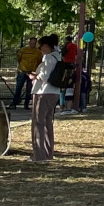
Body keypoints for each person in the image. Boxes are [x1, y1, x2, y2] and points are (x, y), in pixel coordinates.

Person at [31, 35, 63, 163]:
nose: (40, 49)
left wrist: (33, 76)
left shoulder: (49, 58)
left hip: (43, 92)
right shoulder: (58, 55)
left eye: (41, 46)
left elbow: (44, 76)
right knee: (48, 123)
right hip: (54, 92)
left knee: (38, 123)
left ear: (46, 45)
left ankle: (39, 156)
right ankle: (48, 153)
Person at [13, 37, 42, 113]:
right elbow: (19, 58)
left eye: (34, 43)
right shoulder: (23, 50)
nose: (32, 44)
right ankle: (14, 104)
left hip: (32, 72)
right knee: (18, 87)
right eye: (31, 43)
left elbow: (39, 61)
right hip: (22, 71)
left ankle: (26, 105)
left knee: (29, 89)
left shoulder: (38, 52)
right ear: (29, 42)